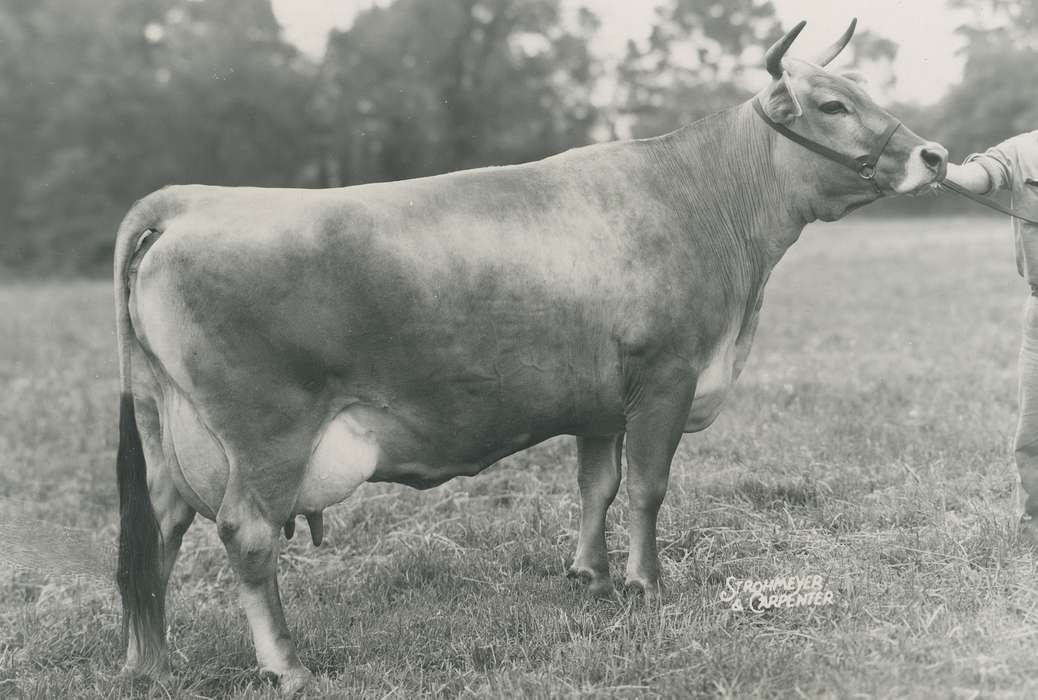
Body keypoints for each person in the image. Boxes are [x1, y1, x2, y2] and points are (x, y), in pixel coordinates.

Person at [946, 131, 1038, 536]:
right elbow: (976, 178)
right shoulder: (1023, 150)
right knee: (1034, 436)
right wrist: (924, 160)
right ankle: (1033, 531)